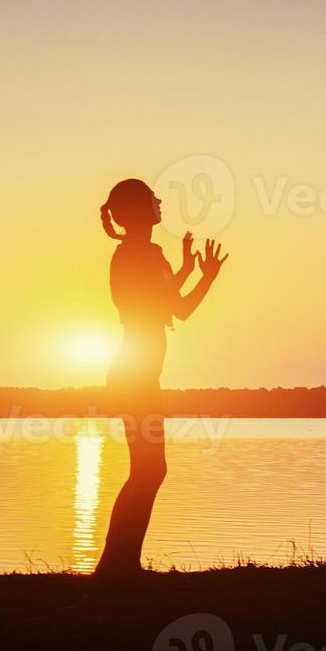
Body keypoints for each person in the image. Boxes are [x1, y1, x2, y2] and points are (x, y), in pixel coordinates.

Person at [92, 178, 227, 578]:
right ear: (139, 210)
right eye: (153, 199)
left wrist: (187, 266)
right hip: (135, 378)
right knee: (149, 470)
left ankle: (119, 565)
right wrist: (209, 275)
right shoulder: (139, 255)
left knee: (149, 470)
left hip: (136, 375)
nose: (160, 202)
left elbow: (164, 296)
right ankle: (116, 567)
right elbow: (179, 308)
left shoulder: (142, 252)